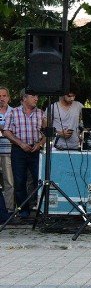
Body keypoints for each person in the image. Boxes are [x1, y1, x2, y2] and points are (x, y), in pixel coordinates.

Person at [1, 89, 45, 220]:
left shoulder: (41, 114)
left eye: (37, 96)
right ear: (24, 98)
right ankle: (23, 210)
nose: (36, 98)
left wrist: (40, 143)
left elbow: (47, 133)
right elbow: (6, 132)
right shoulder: (14, 112)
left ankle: (40, 208)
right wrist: (20, 144)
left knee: (40, 180)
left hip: (35, 150)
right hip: (18, 150)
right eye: (33, 96)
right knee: (19, 181)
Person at [0, 87, 13, 221]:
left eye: (4, 96)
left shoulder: (13, 112)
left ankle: (9, 210)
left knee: (9, 181)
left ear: (8, 98)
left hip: (8, 150)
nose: (1, 98)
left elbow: (14, 130)